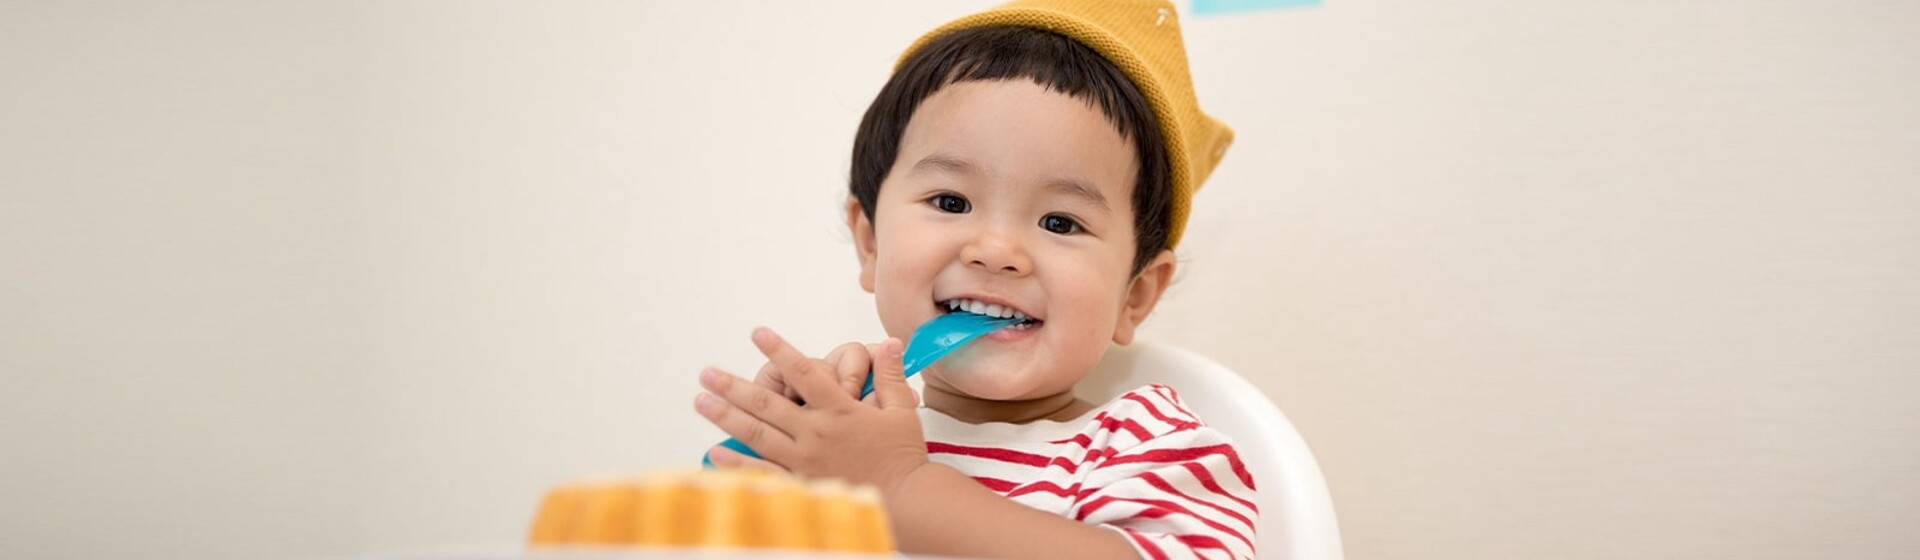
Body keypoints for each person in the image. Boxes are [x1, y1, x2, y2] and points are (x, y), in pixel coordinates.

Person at [693, 1, 1251, 558]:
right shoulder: (849, 437)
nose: (996, 252)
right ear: (871, 243)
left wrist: (897, 489)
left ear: (1135, 294)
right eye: (951, 201)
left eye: (1060, 222)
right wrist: (787, 464)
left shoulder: (1146, 446)